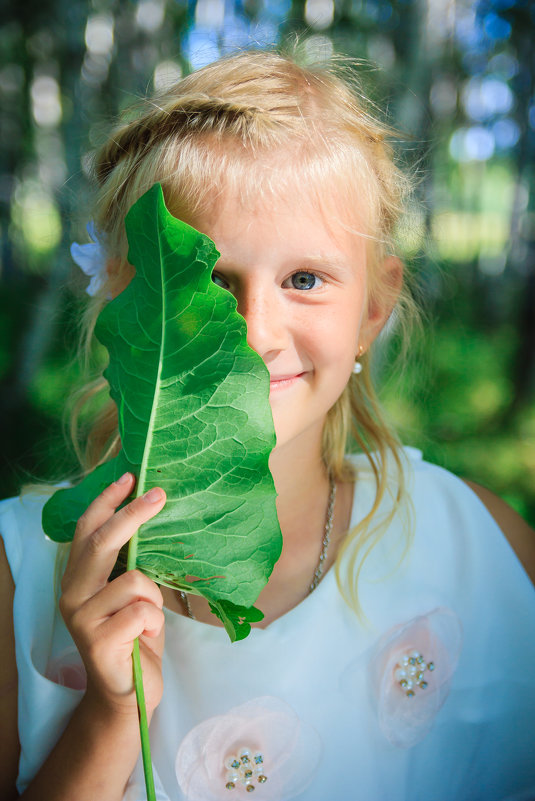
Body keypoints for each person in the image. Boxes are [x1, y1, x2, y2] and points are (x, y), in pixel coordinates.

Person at [1, 49, 535, 801]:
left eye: (305, 280)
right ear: (128, 301)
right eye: (212, 279)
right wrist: (110, 715)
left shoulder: (476, 546)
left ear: (371, 312)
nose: (254, 332)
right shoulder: (19, 572)